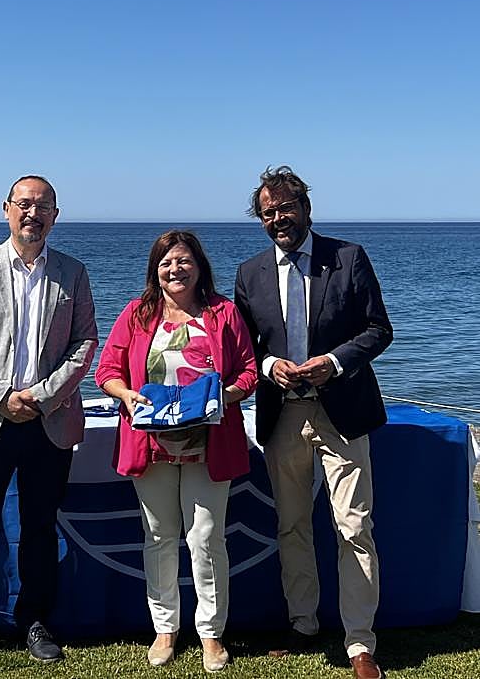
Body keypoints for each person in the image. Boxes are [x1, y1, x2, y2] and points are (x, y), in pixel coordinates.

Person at [234, 166, 393, 679]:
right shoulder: (250, 274)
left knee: (354, 528)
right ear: (260, 219)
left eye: (286, 208)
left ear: (305, 209)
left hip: (342, 411)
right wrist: (265, 366)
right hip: (282, 415)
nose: (278, 219)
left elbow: (378, 329)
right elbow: (242, 349)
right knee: (292, 526)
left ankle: (359, 643)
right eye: (268, 212)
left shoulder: (347, 258)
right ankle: (302, 625)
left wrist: (335, 361)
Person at [0, 175, 98, 670]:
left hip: (48, 422)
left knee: (39, 528)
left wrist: (42, 397)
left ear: (56, 214)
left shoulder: (72, 273)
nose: (33, 213)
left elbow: (85, 343)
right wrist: (2, 397)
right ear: (7, 209)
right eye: (24, 205)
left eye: (43, 206)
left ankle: (34, 620)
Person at [96, 231, 257, 673]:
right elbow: (107, 370)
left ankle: (211, 633)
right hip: (151, 445)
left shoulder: (224, 313)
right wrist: (126, 395)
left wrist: (223, 398)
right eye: (166, 262)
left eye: (183, 261)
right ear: (155, 269)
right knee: (160, 538)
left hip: (211, 445)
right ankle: (165, 629)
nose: (175, 269)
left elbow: (248, 371)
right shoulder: (137, 312)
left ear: (199, 266)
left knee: (206, 539)